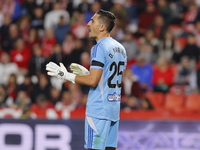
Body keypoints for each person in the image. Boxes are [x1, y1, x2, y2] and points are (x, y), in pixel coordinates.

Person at [46, 10, 127, 150]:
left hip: (98, 110)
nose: (88, 24)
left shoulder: (99, 47)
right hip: (113, 109)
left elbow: (92, 81)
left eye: (93, 21)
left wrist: (66, 75)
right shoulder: (120, 48)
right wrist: (88, 73)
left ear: (102, 27)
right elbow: (112, 77)